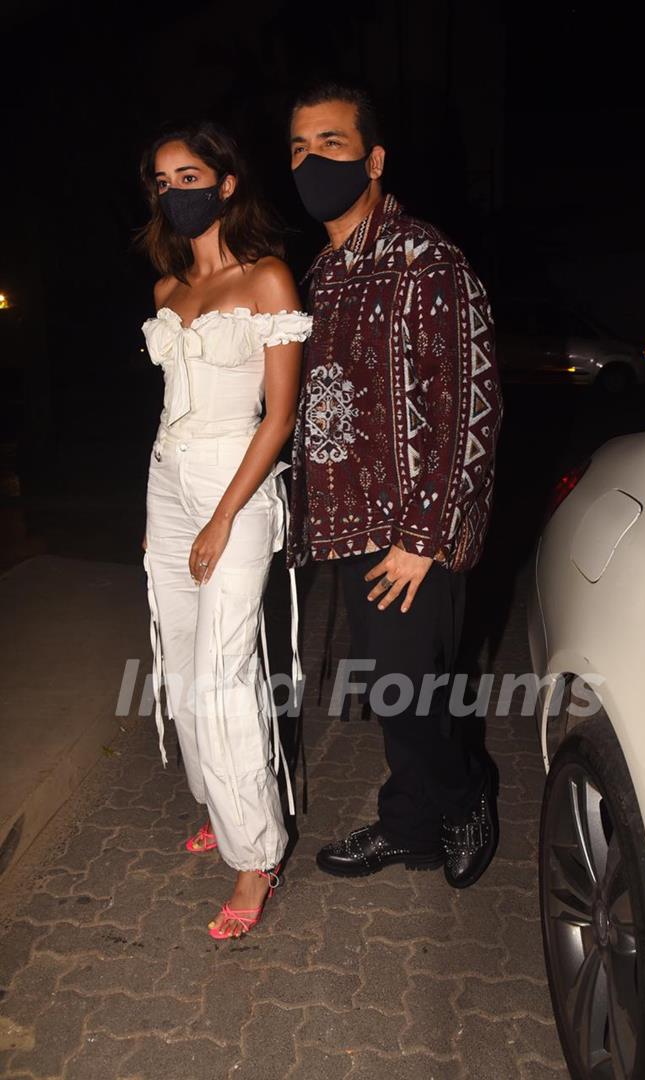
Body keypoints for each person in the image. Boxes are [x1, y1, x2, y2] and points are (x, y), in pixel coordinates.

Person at [287, 84, 503, 889]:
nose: (312, 162)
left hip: (413, 534)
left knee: (409, 697)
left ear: (373, 160)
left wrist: (426, 536)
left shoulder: (426, 260)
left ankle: (466, 792)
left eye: (332, 144)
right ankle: (411, 825)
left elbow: (471, 404)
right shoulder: (321, 273)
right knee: (391, 694)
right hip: (348, 526)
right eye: (301, 148)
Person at [137, 121, 311, 938]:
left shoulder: (268, 279)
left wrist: (220, 517)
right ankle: (224, 805)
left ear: (227, 183)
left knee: (222, 673)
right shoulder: (168, 287)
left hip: (233, 486)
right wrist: (172, 513)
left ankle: (257, 853)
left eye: (191, 175)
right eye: (165, 181)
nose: (178, 191)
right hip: (167, 480)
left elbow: (277, 419)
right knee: (177, 658)